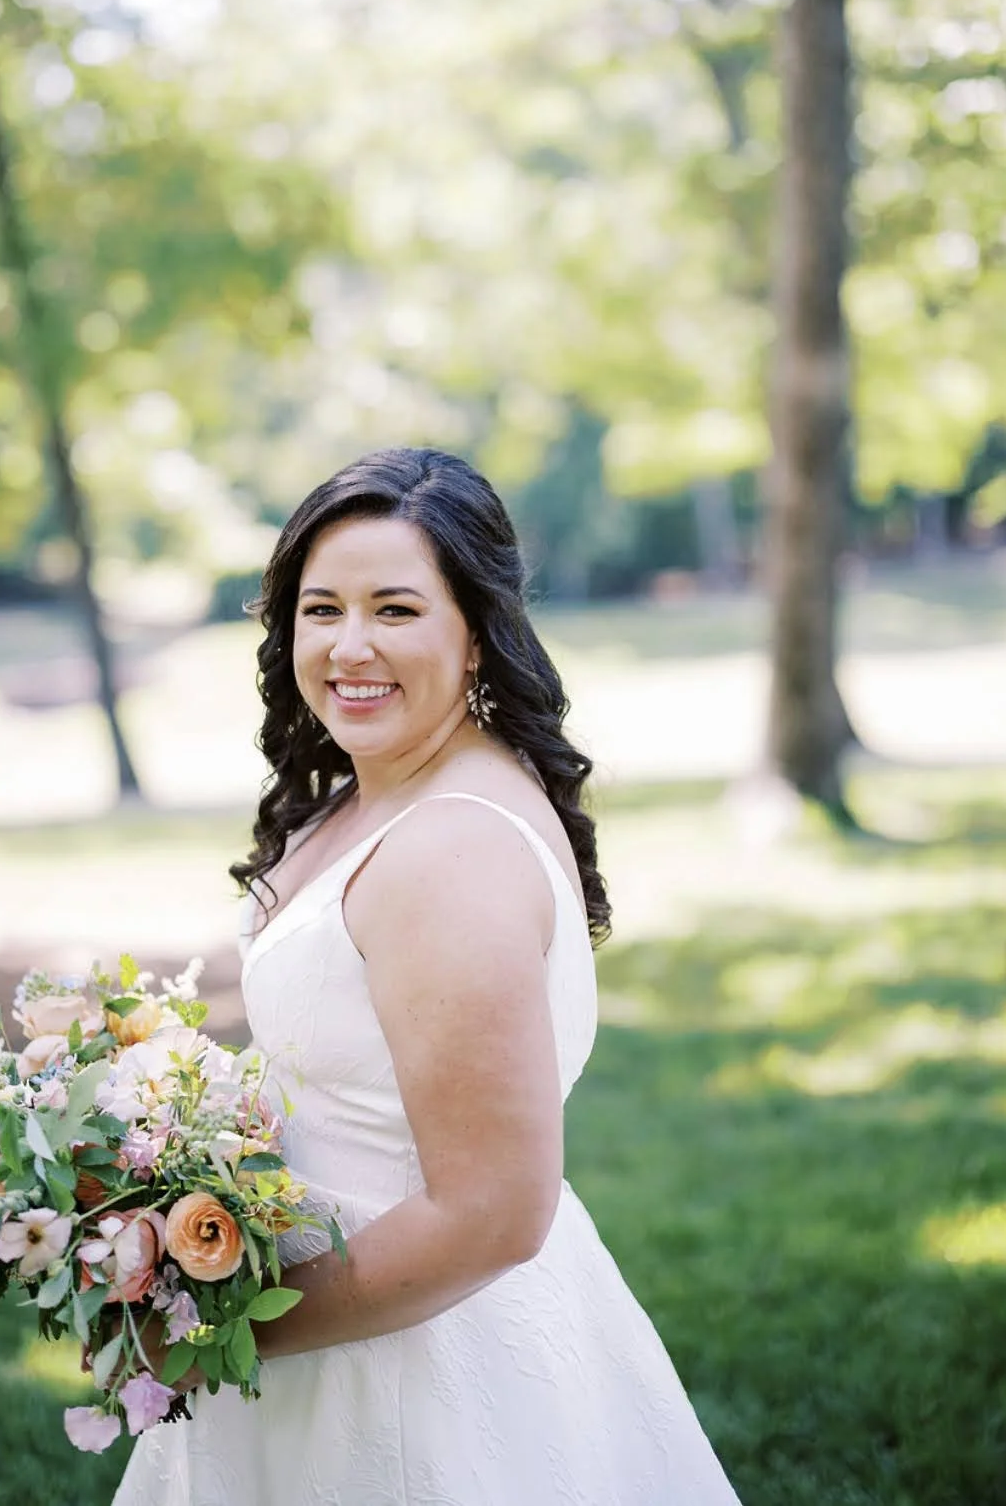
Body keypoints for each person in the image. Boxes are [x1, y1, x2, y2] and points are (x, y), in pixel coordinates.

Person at [113, 447, 742, 1505]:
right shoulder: (379, 793)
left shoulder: (451, 849)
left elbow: (494, 1211)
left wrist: (217, 1335)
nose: (350, 646)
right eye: (322, 610)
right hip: (352, 1320)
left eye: (395, 610)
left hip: (410, 1367)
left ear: (476, 630)